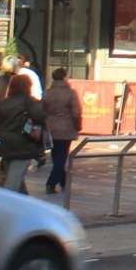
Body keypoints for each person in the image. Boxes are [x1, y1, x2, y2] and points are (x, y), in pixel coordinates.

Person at [0, 70, 45, 195]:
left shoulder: (3, 103)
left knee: (16, 179)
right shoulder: (29, 102)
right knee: (13, 183)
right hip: (23, 144)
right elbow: (41, 116)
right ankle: (7, 209)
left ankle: (25, 207)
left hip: (4, 143)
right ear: (27, 87)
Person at [42, 67, 80, 195]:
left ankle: (64, 182)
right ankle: (51, 182)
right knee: (62, 157)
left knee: (56, 156)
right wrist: (78, 126)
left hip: (51, 128)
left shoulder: (47, 92)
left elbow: (42, 110)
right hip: (66, 128)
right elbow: (76, 112)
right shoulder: (70, 93)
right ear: (64, 77)